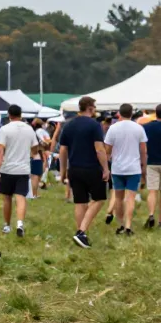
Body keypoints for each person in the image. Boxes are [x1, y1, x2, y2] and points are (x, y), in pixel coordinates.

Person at [58, 96, 109, 248]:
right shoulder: (94, 125)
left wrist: (63, 171)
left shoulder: (68, 125)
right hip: (92, 167)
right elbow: (99, 149)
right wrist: (106, 168)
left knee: (80, 201)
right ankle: (81, 231)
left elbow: (62, 150)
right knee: (99, 199)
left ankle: (81, 234)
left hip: (74, 168)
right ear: (90, 108)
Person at [0, 105, 39, 236]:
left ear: (9, 115)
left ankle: (7, 225)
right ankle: (20, 224)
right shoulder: (29, 129)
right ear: (21, 114)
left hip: (7, 168)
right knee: (21, 197)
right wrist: (31, 153)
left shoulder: (4, 129)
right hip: (23, 169)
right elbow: (35, 148)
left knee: (7, 197)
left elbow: (0, 150)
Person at [103, 103, 147, 235]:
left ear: (119, 114)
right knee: (130, 198)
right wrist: (143, 165)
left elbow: (108, 149)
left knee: (118, 198)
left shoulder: (113, 128)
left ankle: (120, 224)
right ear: (132, 113)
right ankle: (128, 226)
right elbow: (143, 150)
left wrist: (109, 159)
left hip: (118, 168)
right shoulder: (139, 128)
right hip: (133, 168)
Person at [29, 118, 50, 198]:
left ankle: (34, 193)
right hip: (37, 154)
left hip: (33, 155)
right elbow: (45, 143)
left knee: (35, 175)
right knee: (36, 175)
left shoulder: (33, 132)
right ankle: (34, 194)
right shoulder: (40, 132)